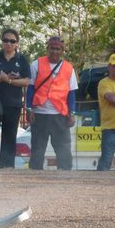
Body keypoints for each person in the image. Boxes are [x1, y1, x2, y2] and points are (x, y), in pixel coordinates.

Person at [0, 28, 31, 168]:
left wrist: (9, 81)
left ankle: (6, 167)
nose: (8, 43)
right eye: (5, 40)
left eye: (12, 41)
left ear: (17, 44)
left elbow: (27, 81)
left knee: (9, 136)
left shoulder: (21, 60)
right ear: (2, 42)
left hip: (13, 104)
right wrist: (1, 78)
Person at [26, 36, 78, 170]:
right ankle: (34, 177)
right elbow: (30, 88)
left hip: (59, 115)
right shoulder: (36, 64)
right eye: (52, 48)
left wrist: (71, 113)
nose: (55, 51)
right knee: (37, 150)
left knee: (64, 150)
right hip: (40, 114)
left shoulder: (68, 68)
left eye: (58, 49)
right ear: (47, 48)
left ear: (62, 51)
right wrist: (29, 109)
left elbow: (71, 93)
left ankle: (65, 178)